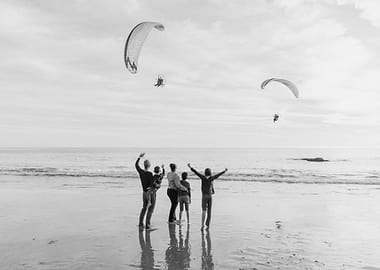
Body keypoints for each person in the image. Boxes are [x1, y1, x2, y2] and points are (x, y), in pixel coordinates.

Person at [188, 163, 227, 230]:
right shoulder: (212, 178)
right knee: (209, 211)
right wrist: (224, 171)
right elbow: (218, 175)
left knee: (203, 211)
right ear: (210, 173)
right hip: (210, 196)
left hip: (204, 196)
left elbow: (196, 172)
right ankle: (208, 226)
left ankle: (202, 225)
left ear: (205, 173)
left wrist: (190, 167)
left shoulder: (203, 177)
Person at [135, 153, 155, 229]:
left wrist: (139, 157)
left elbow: (136, 166)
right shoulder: (150, 174)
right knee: (150, 209)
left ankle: (140, 223)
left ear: (144, 165)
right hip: (149, 193)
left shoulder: (141, 172)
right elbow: (151, 185)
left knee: (144, 208)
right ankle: (148, 225)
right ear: (149, 166)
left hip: (144, 192)